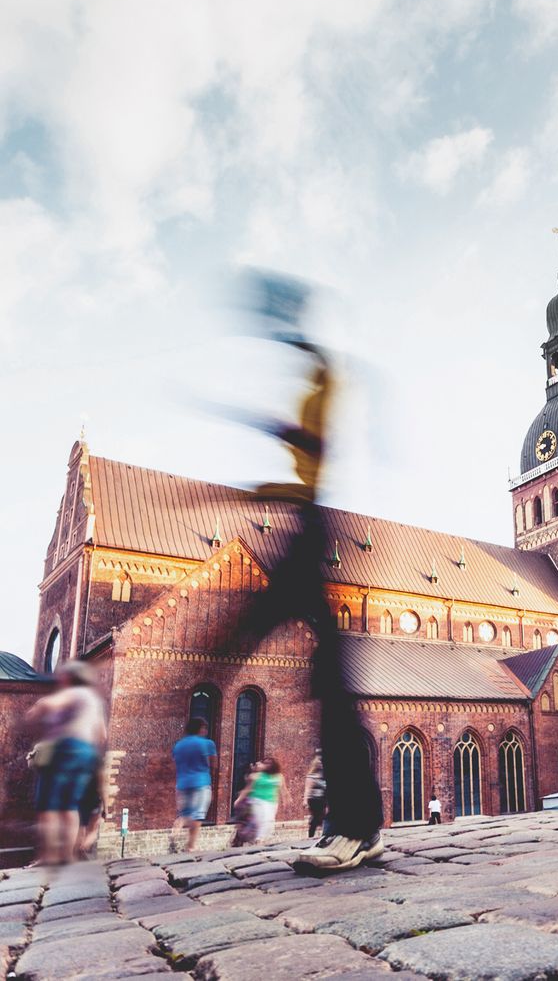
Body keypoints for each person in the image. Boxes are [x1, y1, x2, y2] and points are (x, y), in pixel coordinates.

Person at [215, 274, 385, 872]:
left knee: (331, 686)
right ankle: (357, 823)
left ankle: (357, 826)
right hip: (302, 525)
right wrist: (250, 493)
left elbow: (310, 442)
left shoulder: (322, 377)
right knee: (325, 681)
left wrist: (265, 432)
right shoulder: (317, 378)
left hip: (312, 530)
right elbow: (303, 457)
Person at [26, 660, 108, 866]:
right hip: (87, 753)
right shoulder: (94, 701)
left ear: (69, 678)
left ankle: (50, 856)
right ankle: (66, 856)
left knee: (48, 805)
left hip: (66, 749)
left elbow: (48, 705)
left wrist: (37, 709)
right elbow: (102, 735)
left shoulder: (74, 692)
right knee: (69, 806)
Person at [172, 717, 217, 852]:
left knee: (185, 813)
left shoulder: (179, 745)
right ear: (201, 728)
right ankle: (191, 846)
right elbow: (214, 764)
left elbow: (176, 762)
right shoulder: (207, 743)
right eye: (204, 728)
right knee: (197, 815)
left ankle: (178, 825)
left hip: (182, 784)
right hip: (201, 782)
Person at [304, 752, 327, 837]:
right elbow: (307, 789)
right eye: (319, 763)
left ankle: (322, 833)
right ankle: (311, 834)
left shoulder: (324, 776)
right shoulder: (311, 776)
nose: (321, 765)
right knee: (317, 816)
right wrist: (305, 800)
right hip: (313, 799)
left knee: (321, 816)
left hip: (322, 799)